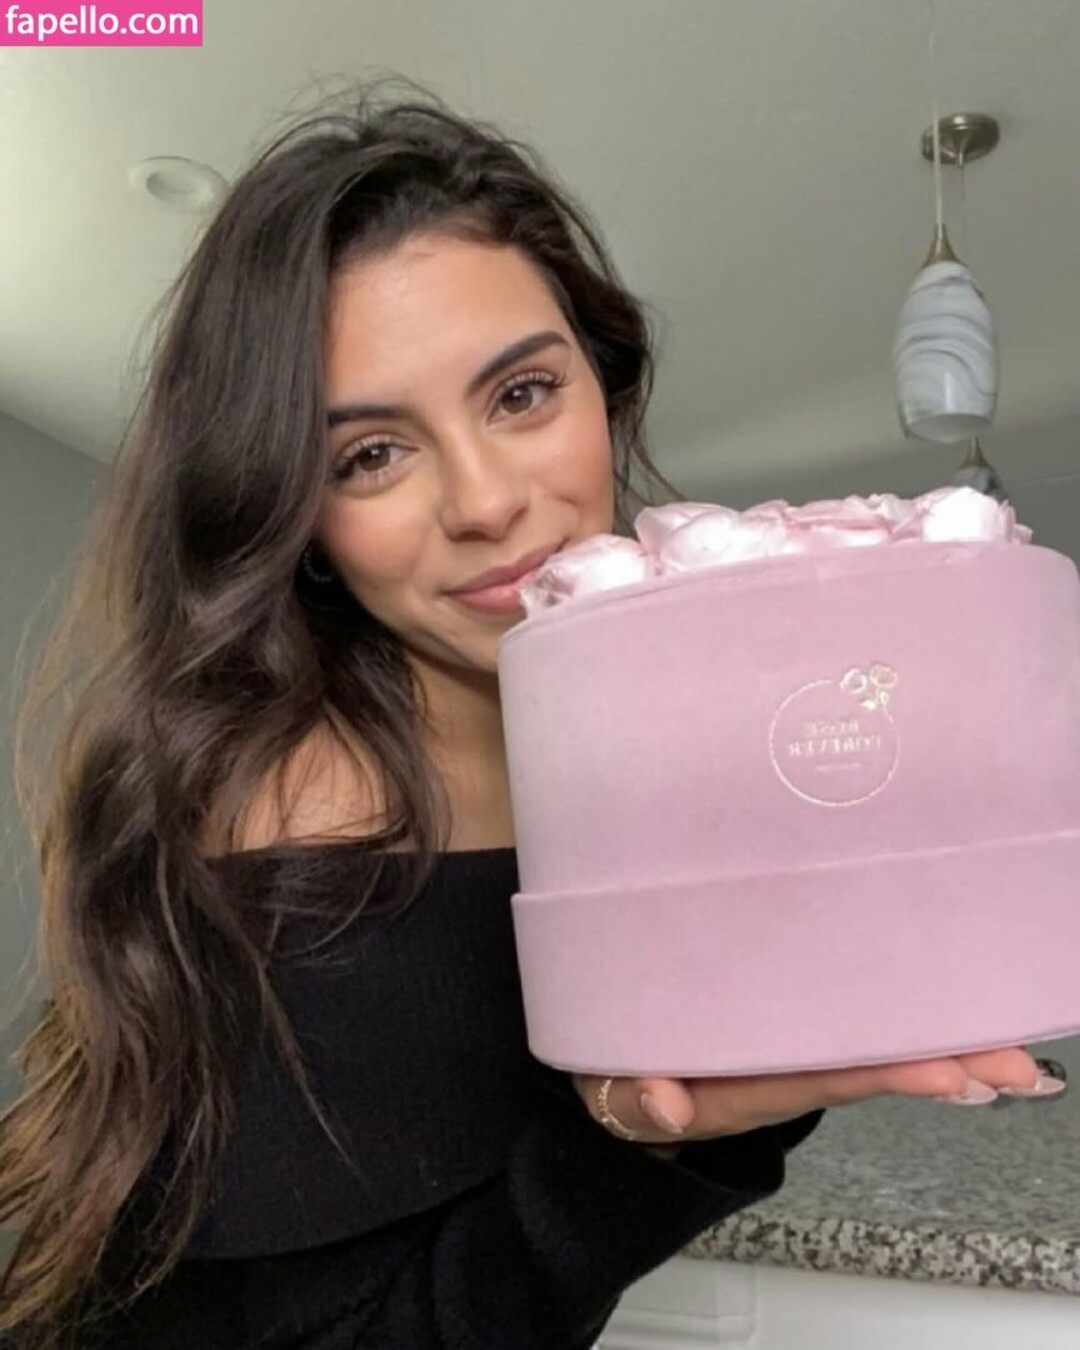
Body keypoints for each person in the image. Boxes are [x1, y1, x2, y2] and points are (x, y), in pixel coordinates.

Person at [0, 80, 1045, 1350]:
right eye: (370, 455)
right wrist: (631, 1145)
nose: (488, 501)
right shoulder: (306, 822)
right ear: (300, 518)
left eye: (521, 395)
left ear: (604, 387)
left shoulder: (648, 745)